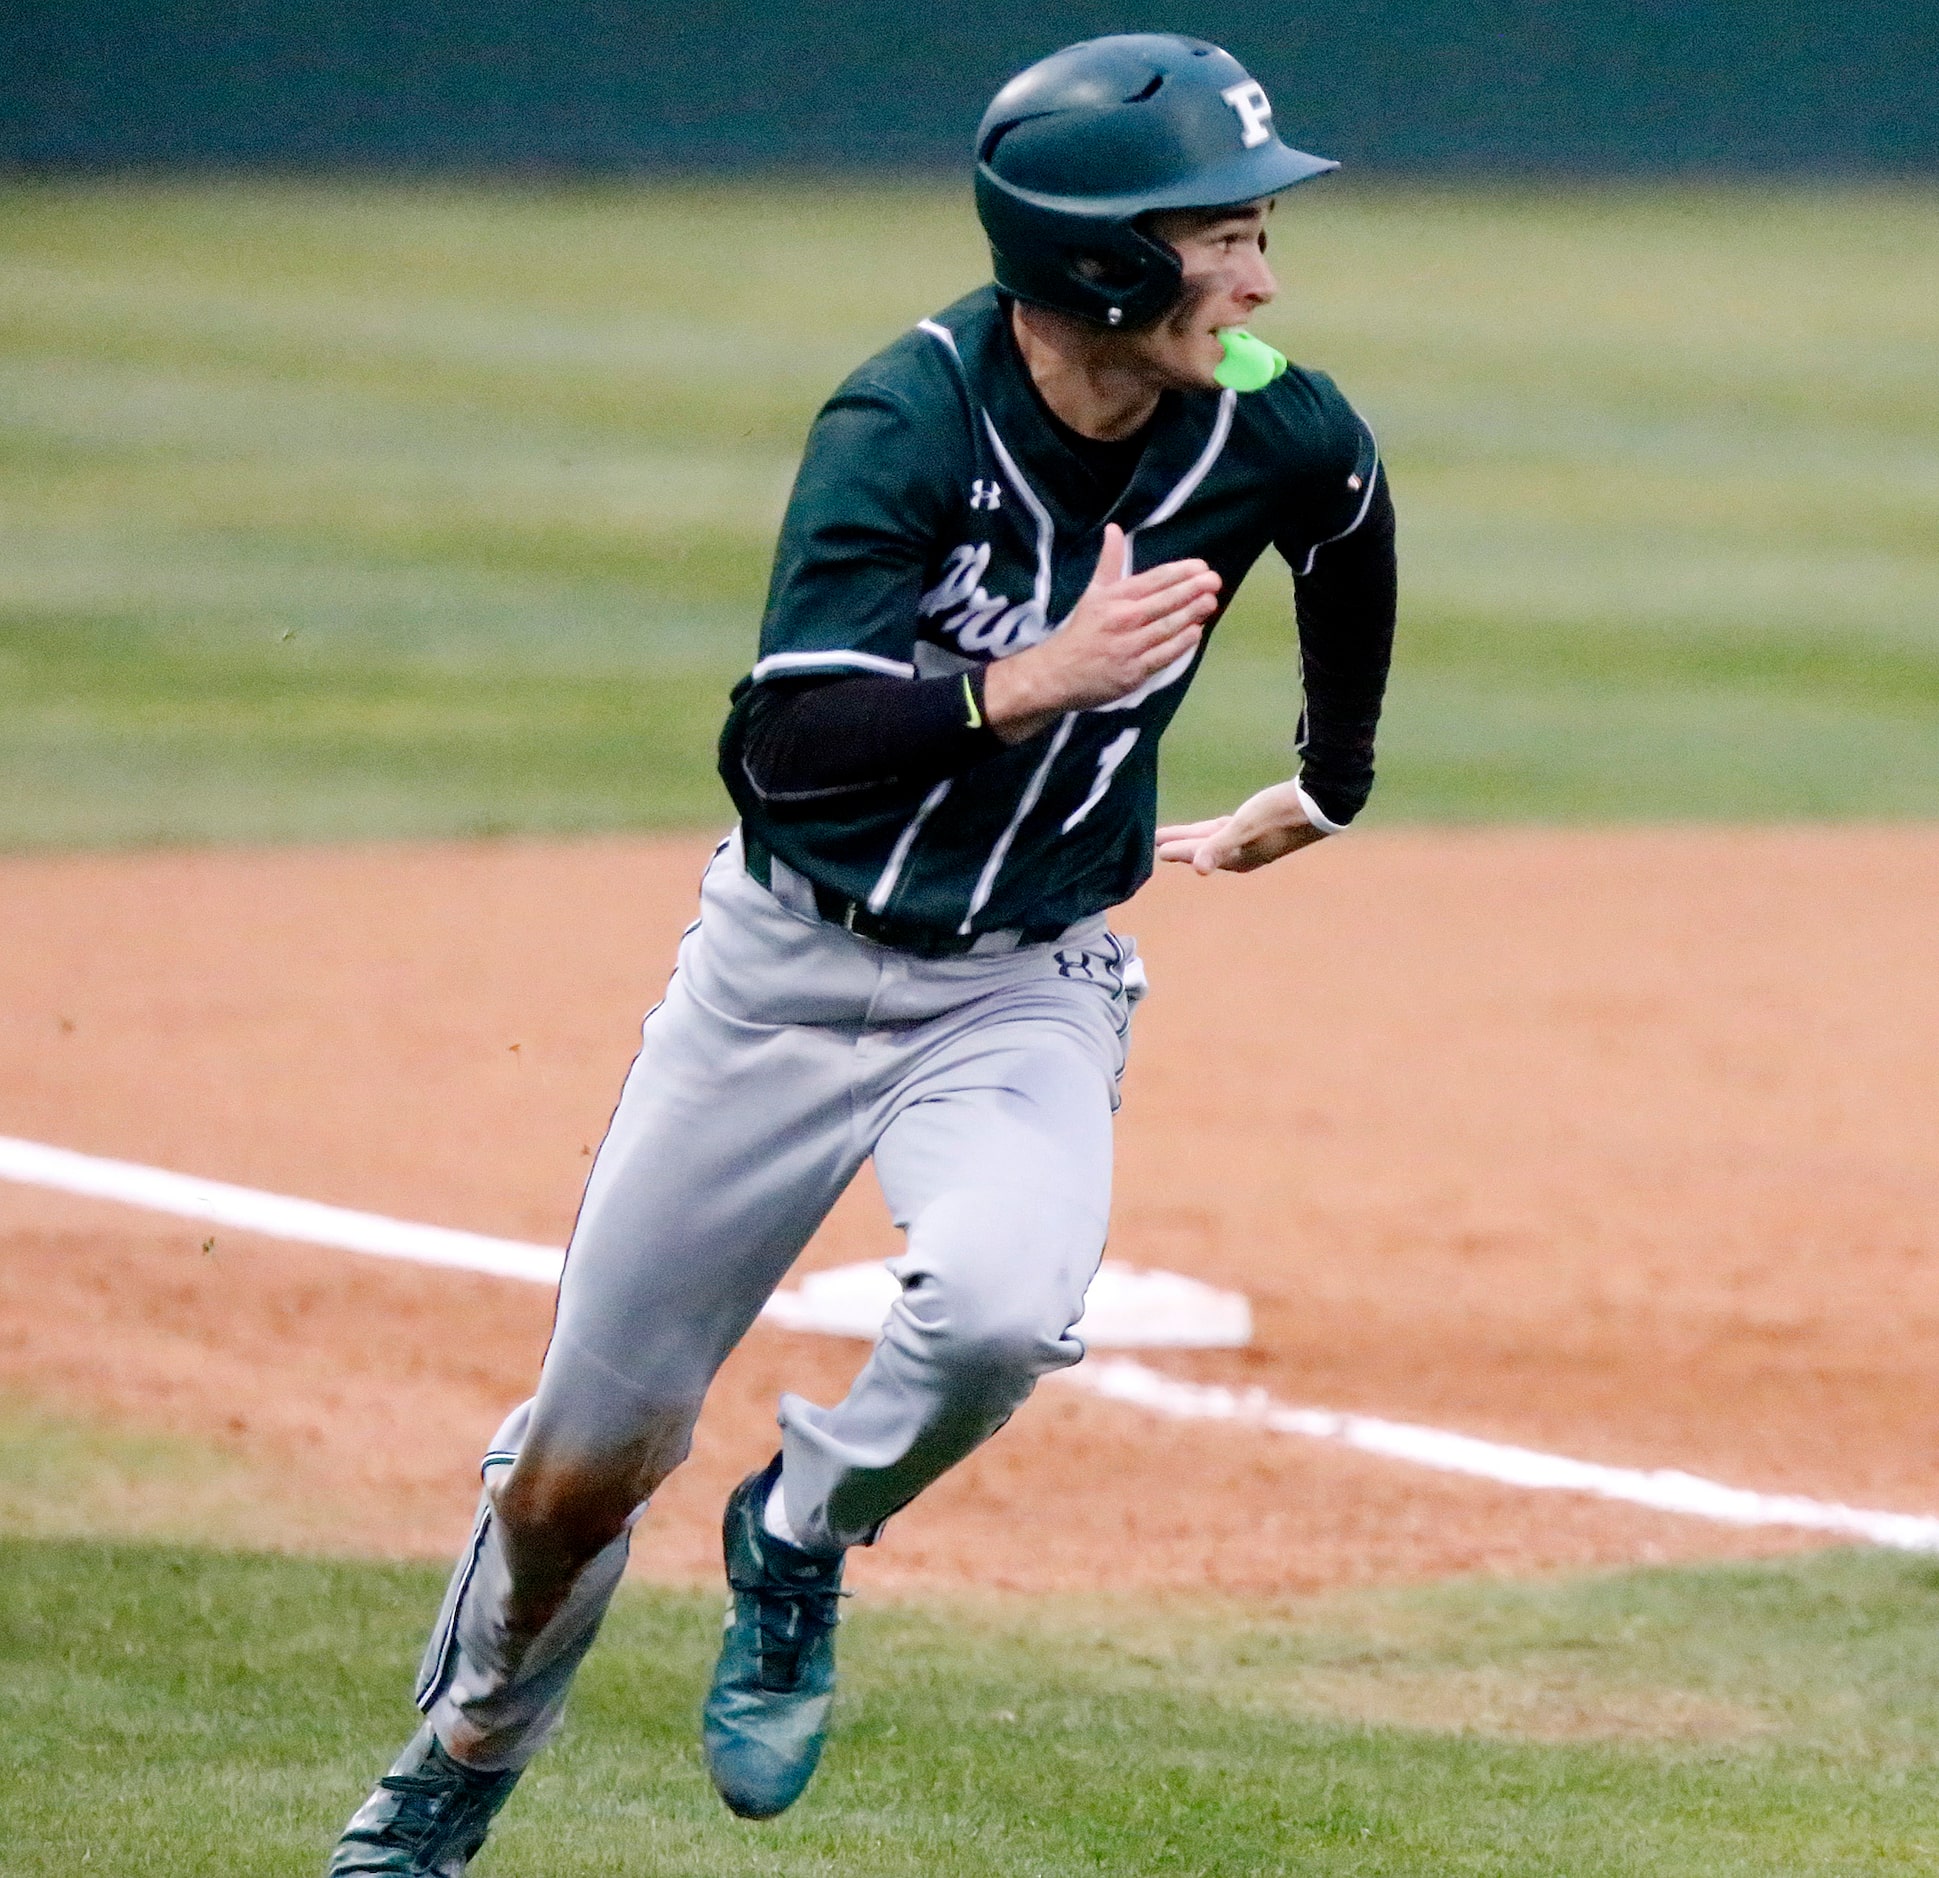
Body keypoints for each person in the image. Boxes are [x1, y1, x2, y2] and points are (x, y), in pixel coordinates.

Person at [327, 31, 1395, 1874]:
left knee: (994, 1308)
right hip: (775, 979)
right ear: (1102, 259)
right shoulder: (901, 420)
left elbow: (1354, 518)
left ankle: (800, 1537)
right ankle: (459, 1765)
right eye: (1224, 233)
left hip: (1024, 981)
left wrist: (1332, 777)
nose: (1263, 274)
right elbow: (778, 744)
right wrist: (1024, 683)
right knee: (583, 1466)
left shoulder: (1264, 407)